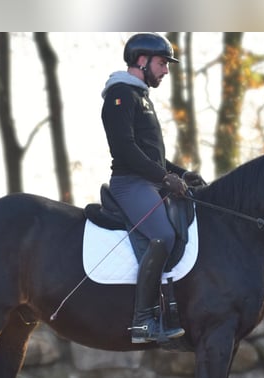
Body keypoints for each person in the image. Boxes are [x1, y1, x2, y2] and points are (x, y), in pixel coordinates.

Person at [101, 32, 205, 344]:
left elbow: (153, 156)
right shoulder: (120, 94)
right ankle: (143, 322)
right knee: (163, 235)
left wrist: (182, 173)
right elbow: (125, 150)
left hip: (148, 181)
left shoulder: (140, 97)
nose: (166, 71)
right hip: (130, 184)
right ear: (142, 60)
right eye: (162, 63)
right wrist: (164, 179)